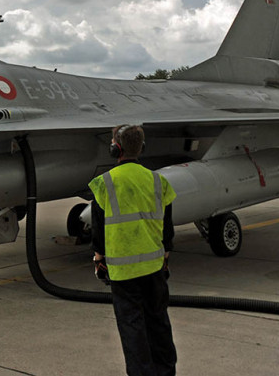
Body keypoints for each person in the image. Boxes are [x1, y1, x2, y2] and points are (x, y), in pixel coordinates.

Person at [90, 124, 177, 376]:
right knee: (159, 323)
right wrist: (165, 255)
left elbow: (98, 233)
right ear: (142, 148)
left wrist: (99, 260)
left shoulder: (104, 183)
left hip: (122, 273)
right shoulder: (158, 181)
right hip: (154, 268)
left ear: (114, 148)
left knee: (132, 329)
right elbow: (167, 230)